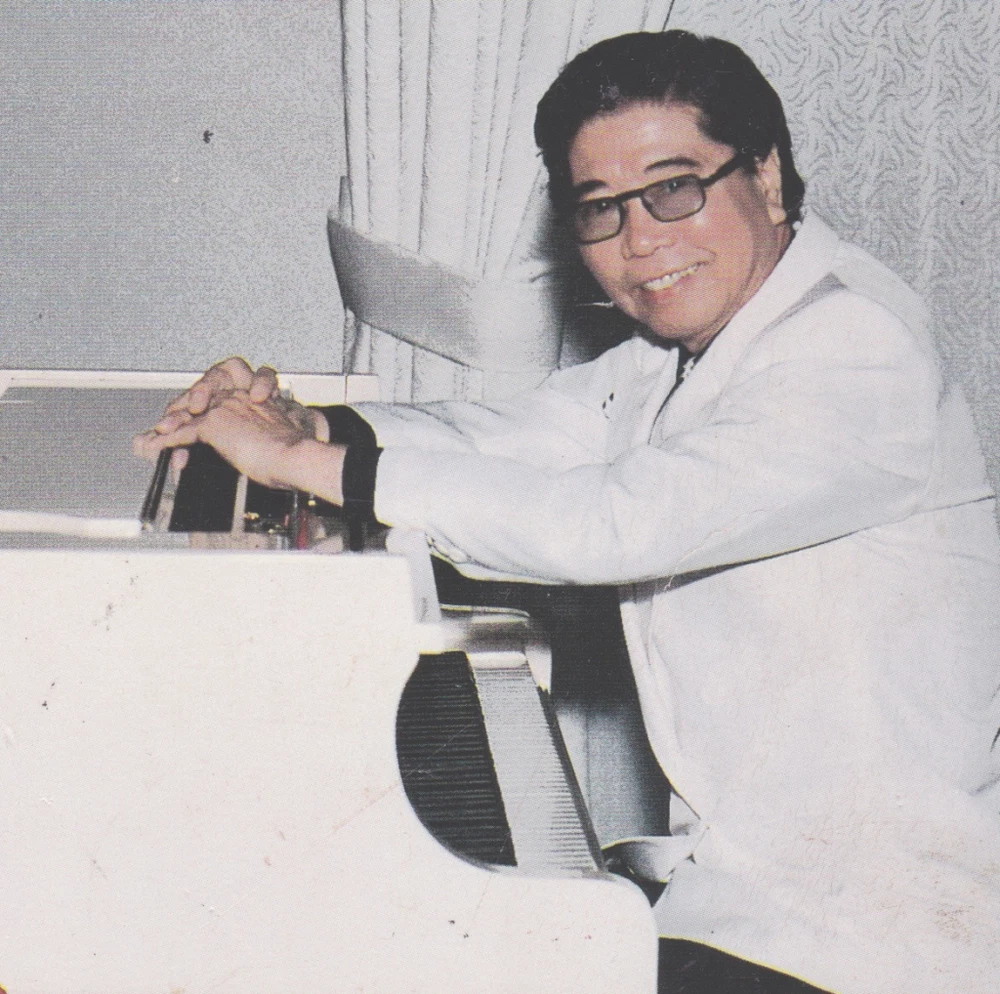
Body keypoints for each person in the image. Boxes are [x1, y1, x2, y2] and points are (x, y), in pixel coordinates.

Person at [136, 30, 1000, 994]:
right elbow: (536, 432)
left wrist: (304, 463)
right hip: (756, 899)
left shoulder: (854, 346)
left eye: (674, 190)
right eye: (600, 210)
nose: (640, 241)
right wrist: (313, 424)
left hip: (867, 939)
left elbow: (609, 523)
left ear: (766, 176)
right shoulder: (703, 348)